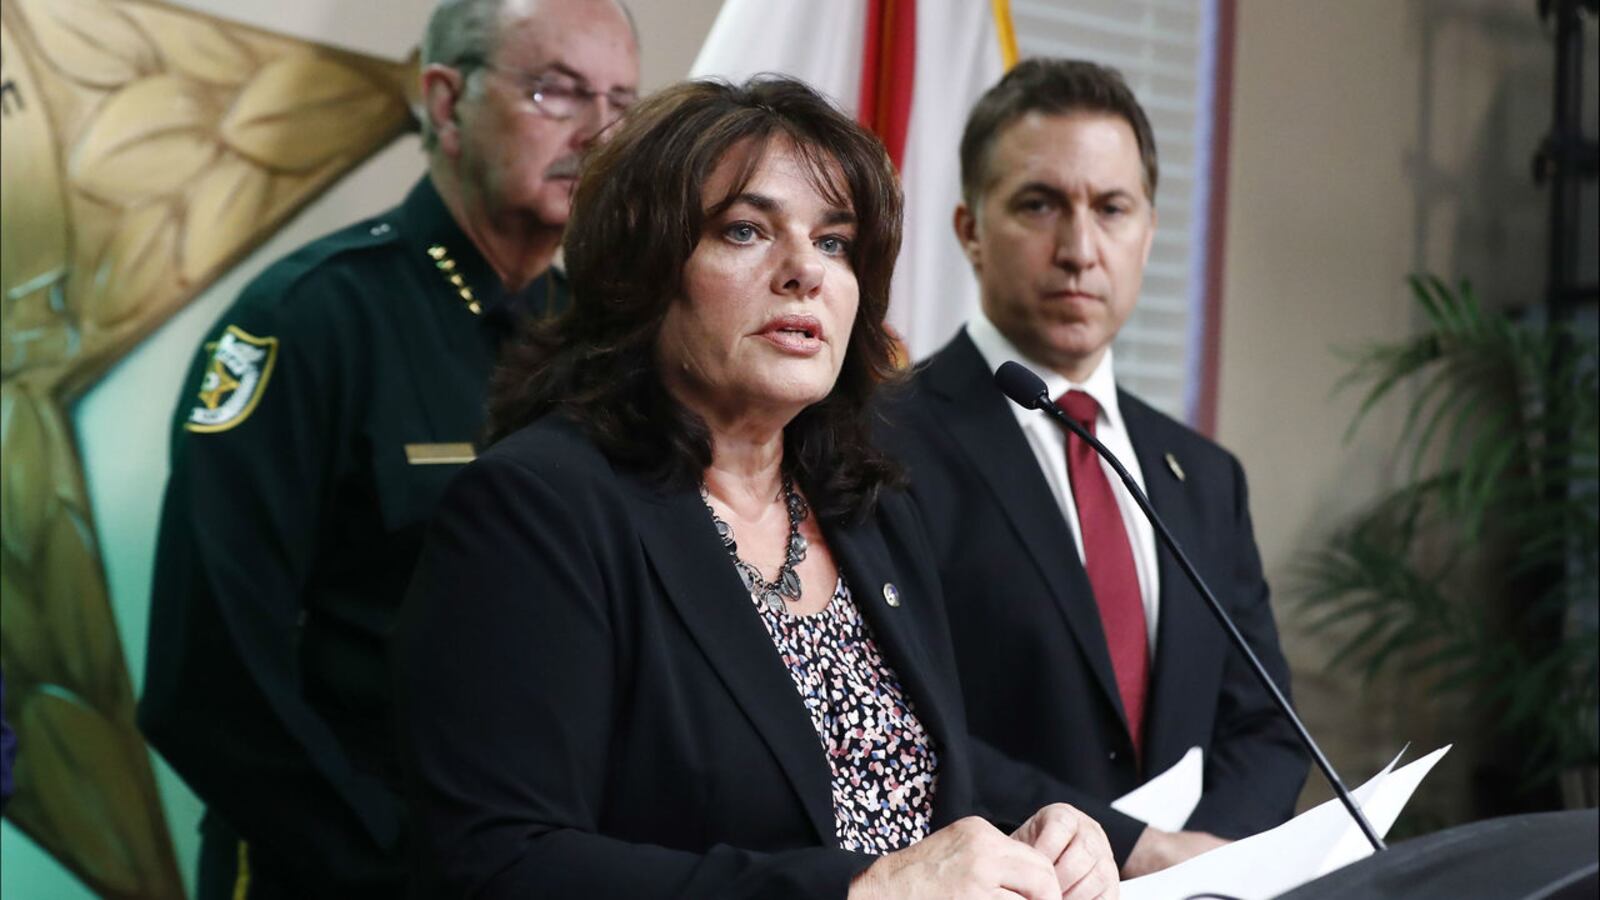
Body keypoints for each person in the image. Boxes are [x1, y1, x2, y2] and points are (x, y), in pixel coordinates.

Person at [397, 76, 1120, 899]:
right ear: (643, 271)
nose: (804, 272)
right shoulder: (537, 511)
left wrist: (1036, 839)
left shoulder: (871, 511)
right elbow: (499, 862)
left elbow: (894, 788)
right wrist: (861, 892)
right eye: (745, 230)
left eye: (836, 242)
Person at [137, 1, 639, 896]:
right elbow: (209, 681)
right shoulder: (307, 321)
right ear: (444, 101)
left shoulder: (600, 340)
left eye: (622, 103)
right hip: (345, 865)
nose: (599, 133)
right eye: (557, 93)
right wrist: (396, 857)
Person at [878, 58, 1309, 876]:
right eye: (1040, 205)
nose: (1080, 248)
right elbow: (893, 722)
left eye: (1112, 209)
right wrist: (1129, 849)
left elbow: (1266, 724)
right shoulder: (881, 442)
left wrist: (1200, 866)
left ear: (1147, 231)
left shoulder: (1205, 475)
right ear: (970, 229)